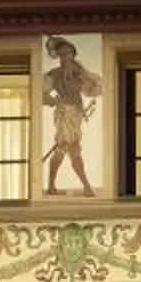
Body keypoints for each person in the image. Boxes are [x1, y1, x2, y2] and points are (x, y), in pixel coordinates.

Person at [40, 36, 102, 195]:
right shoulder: (54, 74)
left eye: (67, 54)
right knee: (64, 145)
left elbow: (96, 87)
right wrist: (55, 102)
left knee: (73, 148)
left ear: (73, 55)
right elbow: (41, 94)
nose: (64, 58)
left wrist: (82, 73)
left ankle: (78, 186)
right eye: (61, 55)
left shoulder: (78, 73)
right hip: (64, 113)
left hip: (76, 113)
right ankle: (56, 185)